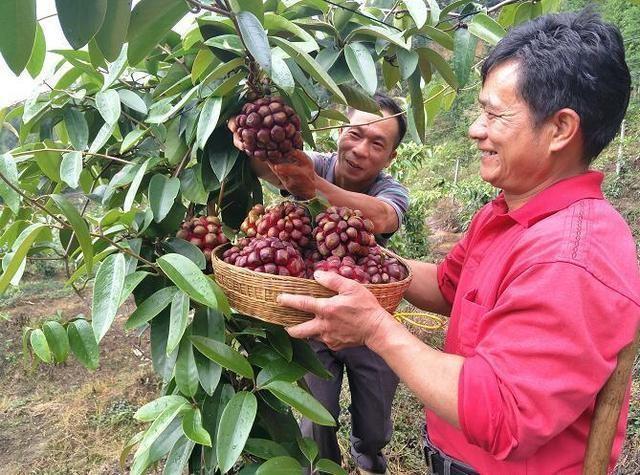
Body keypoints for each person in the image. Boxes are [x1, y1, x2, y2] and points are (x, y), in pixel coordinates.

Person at [277, 10, 640, 474]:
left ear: (560, 129)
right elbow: (449, 287)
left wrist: (375, 329)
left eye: (494, 114)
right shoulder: (506, 211)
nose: (476, 129)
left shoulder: (572, 255)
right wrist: (366, 258)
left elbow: (502, 413)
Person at [232, 93, 409, 474]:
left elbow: (381, 217)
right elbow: (270, 167)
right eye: (355, 134)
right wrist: (250, 136)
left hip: (369, 318)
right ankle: (323, 467)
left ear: (391, 156)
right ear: (339, 132)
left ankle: (369, 460)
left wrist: (312, 187)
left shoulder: (390, 190)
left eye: (377, 143)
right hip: (312, 313)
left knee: (375, 415)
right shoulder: (315, 164)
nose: (360, 149)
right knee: (316, 416)